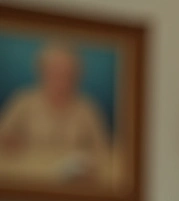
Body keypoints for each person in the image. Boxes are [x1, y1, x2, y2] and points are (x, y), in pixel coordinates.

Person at [0, 42, 112, 182]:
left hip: (71, 184)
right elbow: (3, 138)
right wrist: (10, 143)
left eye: (67, 73)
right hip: (29, 180)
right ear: (41, 71)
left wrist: (90, 165)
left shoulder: (88, 108)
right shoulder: (22, 101)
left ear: (77, 75)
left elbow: (103, 152)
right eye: (54, 71)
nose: (61, 78)